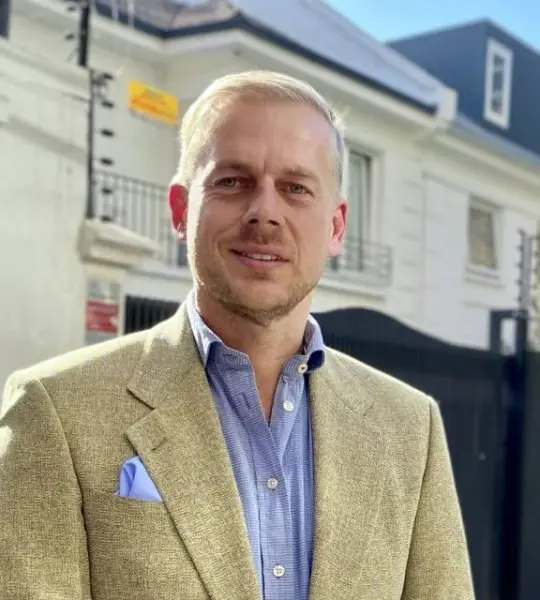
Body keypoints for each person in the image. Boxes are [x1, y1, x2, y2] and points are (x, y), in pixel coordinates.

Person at [0, 71, 475, 600]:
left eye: (295, 188)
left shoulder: (409, 429)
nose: (264, 213)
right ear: (181, 210)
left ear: (336, 226)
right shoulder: (58, 412)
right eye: (232, 181)